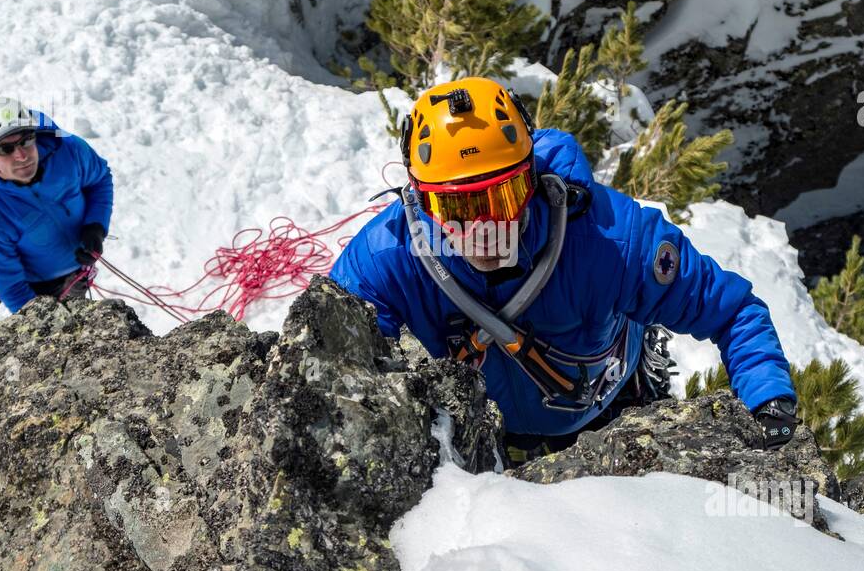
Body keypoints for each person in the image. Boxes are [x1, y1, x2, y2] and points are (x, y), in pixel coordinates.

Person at [330, 76, 799, 468]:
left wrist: (768, 399)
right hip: (482, 439)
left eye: (501, 198)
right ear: (419, 199)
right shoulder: (386, 259)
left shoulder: (612, 238)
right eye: (458, 207)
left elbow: (731, 311)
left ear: (531, 178)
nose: (482, 228)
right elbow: (337, 355)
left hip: (613, 413)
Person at [0, 97, 113, 314]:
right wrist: (42, 324)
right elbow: (11, 286)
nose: (21, 155)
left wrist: (95, 226)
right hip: (40, 292)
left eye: (25, 140)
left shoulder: (68, 150)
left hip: (80, 273)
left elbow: (99, 180)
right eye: (6, 149)